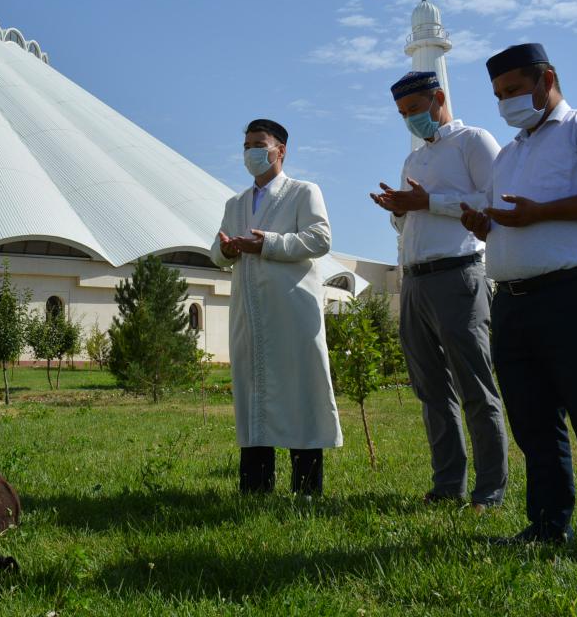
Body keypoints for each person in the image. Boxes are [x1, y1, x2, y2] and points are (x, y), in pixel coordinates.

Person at [460, 43, 577, 570]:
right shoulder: (511, 151)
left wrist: (542, 213)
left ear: (547, 80)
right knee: (534, 422)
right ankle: (548, 525)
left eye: (515, 91)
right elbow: (509, 219)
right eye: (499, 95)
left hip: (575, 293)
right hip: (514, 302)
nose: (506, 103)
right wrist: (484, 225)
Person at [370, 71, 509, 511]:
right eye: (402, 114)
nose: (410, 120)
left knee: (474, 385)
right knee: (431, 389)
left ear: (439, 98)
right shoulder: (414, 161)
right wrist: (399, 209)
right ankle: (449, 482)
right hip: (415, 277)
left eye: (414, 110)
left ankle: (490, 489)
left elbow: (495, 201)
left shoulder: (474, 141)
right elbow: (413, 219)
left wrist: (427, 202)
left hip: (460, 273)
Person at [211, 118, 343, 496]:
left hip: (292, 314)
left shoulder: (303, 192)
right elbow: (216, 253)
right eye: (247, 145)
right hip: (250, 315)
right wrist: (226, 249)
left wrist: (267, 243)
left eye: (259, 144)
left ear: (280, 150)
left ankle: (306, 487)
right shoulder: (235, 203)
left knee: (300, 392)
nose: (252, 152)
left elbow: (320, 239)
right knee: (254, 394)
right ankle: (256, 487)